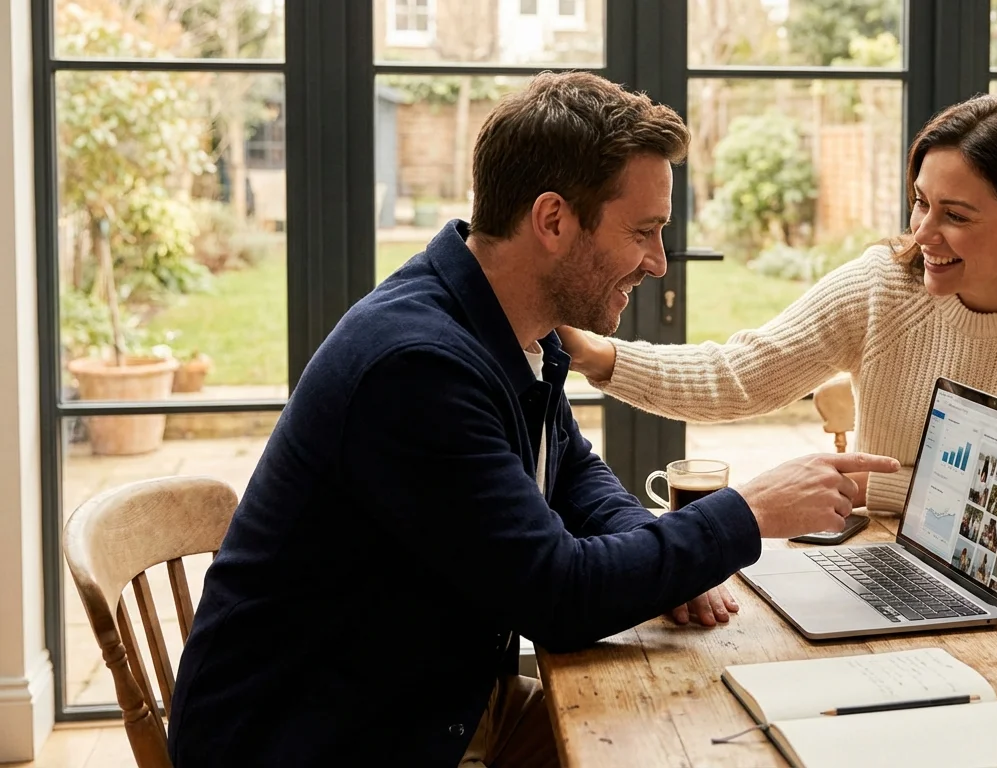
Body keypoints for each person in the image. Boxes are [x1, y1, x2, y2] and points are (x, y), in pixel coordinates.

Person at [165, 71, 899, 768]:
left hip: (420, 700)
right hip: (320, 742)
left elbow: (571, 468)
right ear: (553, 220)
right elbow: (559, 596)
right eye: (643, 231)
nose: (658, 263)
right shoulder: (418, 368)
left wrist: (658, 547)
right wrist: (746, 514)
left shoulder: (509, 321)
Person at [560, 93, 997, 519]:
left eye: (956, 215)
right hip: (886, 561)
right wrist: (600, 357)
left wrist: (854, 486)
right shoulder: (884, 288)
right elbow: (739, 375)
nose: (923, 233)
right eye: (920, 202)